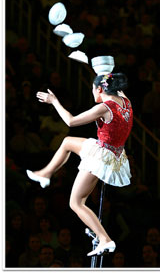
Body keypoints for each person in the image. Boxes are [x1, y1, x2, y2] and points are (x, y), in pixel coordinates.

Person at [26, 72, 133, 256]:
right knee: (67, 142)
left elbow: (71, 121)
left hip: (102, 156)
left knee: (76, 202)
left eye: (93, 89)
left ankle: (105, 239)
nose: (93, 93)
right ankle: (45, 174)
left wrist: (54, 102)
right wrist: (104, 70)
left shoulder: (104, 108)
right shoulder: (125, 100)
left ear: (100, 89)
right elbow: (115, 86)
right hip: (114, 153)